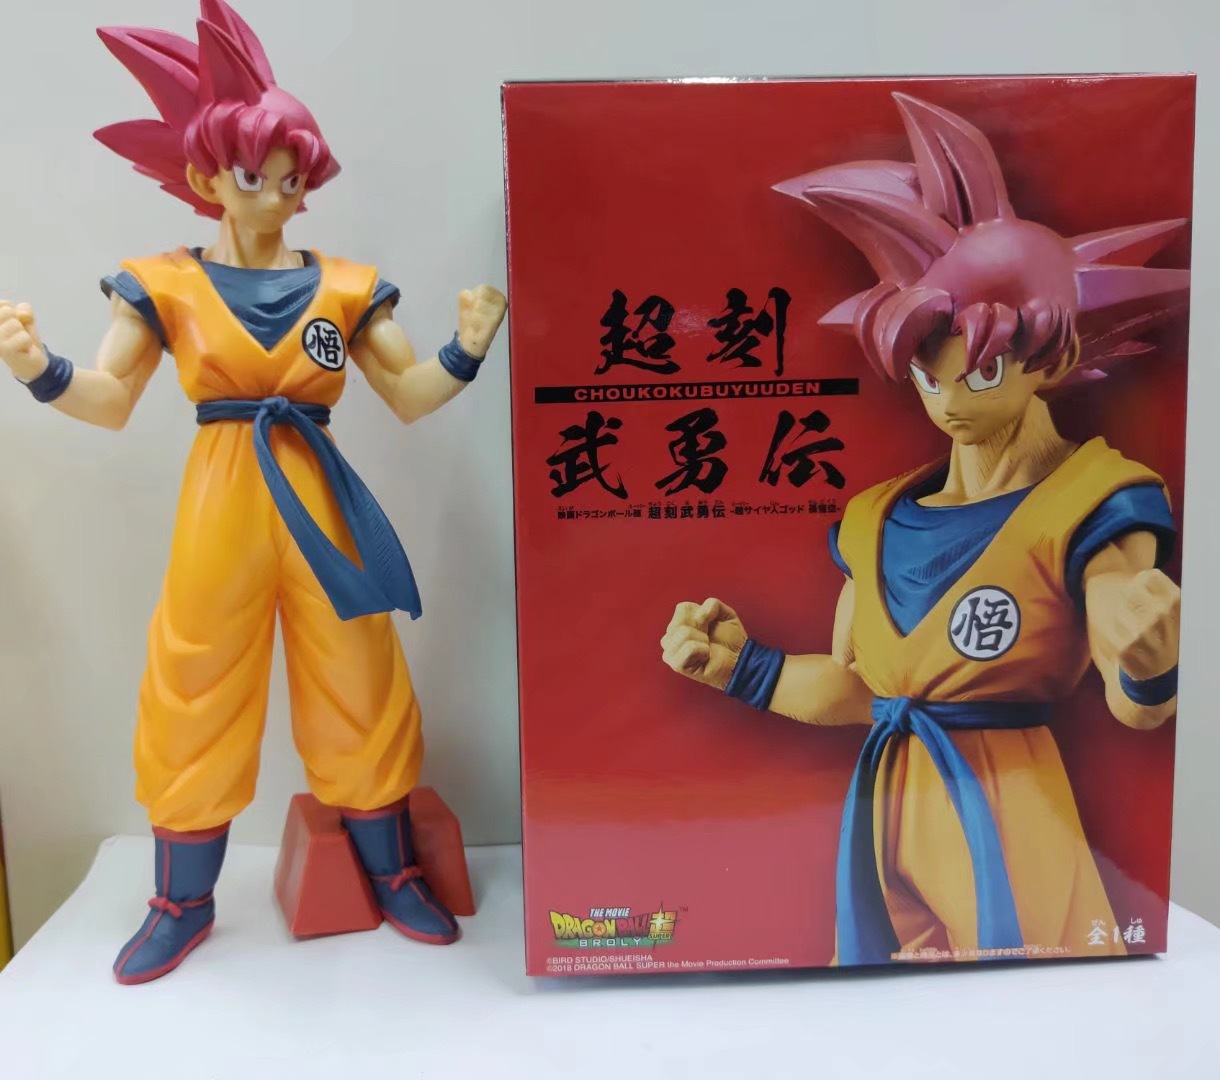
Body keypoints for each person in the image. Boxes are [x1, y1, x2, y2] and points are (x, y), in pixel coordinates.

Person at [0, 0, 506, 984]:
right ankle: (181, 899)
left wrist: (465, 349)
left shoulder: (348, 285)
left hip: (319, 494)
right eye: (252, 175)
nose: (276, 193)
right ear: (204, 179)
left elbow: (408, 393)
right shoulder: (162, 284)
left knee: (358, 671)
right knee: (196, 677)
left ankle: (391, 870)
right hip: (222, 498)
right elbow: (109, 400)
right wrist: (39, 368)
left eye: (291, 176)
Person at [661, 93, 1188, 964]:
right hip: (887, 814)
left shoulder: (1096, 501)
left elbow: (1136, 701)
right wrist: (740, 668)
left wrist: (1153, 659)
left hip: (1011, 817)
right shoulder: (876, 519)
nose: (947, 403)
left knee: (1032, 1008)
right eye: (926, 375)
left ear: (1050, 358)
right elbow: (855, 688)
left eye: (977, 375)